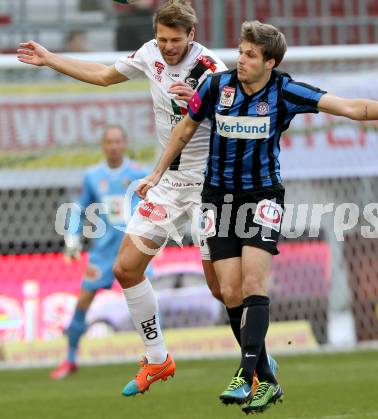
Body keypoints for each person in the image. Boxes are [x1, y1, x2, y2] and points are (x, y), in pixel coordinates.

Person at [135, 20, 378, 413]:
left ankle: (246, 375)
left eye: (250, 55)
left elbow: (349, 107)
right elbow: (185, 129)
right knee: (228, 292)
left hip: (262, 197)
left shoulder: (284, 90)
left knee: (255, 281)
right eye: (240, 51)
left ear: (269, 62)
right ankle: (269, 381)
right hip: (217, 198)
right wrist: (156, 173)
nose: (240, 59)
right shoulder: (214, 86)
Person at [17, 0, 233, 394]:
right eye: (162, 38)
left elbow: (237, 121)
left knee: (222, 288)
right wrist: (50, 59)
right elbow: (102, 75)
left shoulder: (212, 70)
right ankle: (157, 359)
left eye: (175, 40)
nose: (167, 47)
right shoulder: (149, 54)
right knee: (127, 267)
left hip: (209, 185)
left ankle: (256, 359)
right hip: (168, 182)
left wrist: (206, 107)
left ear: (192, 36)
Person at [50, 125, 149, 379]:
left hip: (134, 248)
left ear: (125, 144)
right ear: (103, 146)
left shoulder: (141, 174)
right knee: (83, 300)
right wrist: (72, 238)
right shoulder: (93, 176)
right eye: (109, 142)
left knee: (148, 303)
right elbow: (78, 209)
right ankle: (71, 358)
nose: (113, 146)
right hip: (103, 251)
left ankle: (157, 356)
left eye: (117, 141)